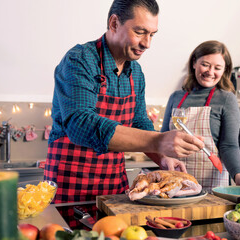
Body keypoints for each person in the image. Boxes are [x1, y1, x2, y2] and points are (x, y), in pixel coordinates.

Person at [44, 0, 204, 203]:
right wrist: (159, 141)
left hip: (115, 189)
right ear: (114, 23)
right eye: (140, 32)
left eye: (152, 34)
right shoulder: (80, 60)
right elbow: (80, 124)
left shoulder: (136, 73)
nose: (147, 43)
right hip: (71, 187)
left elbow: (139, 123)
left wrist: (161, 156)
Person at [161, 40, 240, 191]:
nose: (210, 72)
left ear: (224, 70)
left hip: (212, 186)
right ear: (194, 63)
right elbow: (163, 138)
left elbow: (229, 145)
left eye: (217, 68)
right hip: (175, 183)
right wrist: (164, 159)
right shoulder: (176, 97)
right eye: (205, 64)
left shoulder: (226, 99)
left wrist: (238, 174)